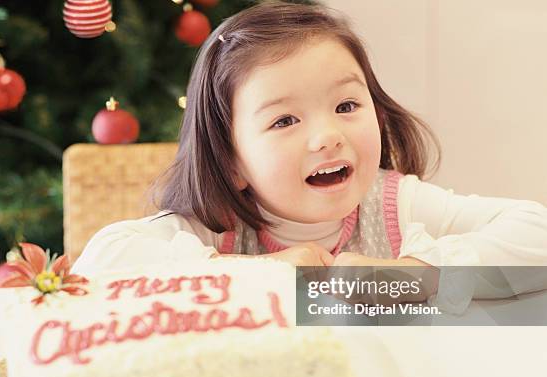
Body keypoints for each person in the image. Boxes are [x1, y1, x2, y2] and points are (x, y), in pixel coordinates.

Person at [71, 1, 547, 312]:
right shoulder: (217, 228)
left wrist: (417, 274)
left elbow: (535, 234)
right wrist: (262, 274)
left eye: (346, 106)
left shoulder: (392, 205)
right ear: (231, 159)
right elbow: (101, 262)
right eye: (284, 121)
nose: (327, 137)